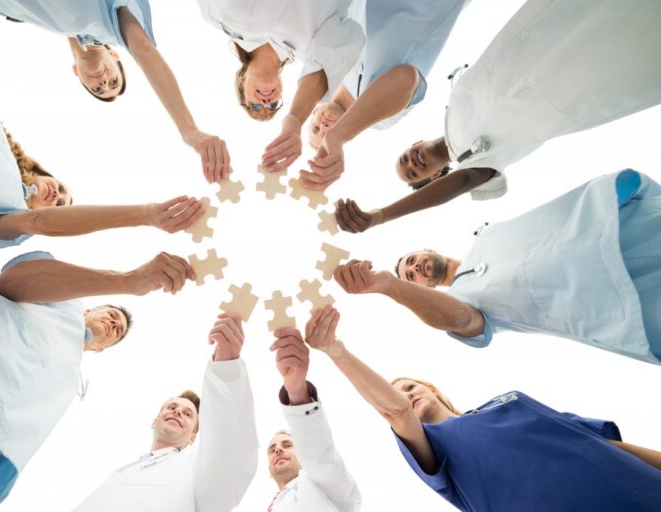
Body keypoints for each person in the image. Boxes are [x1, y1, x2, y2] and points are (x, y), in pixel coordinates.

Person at [0, 249, 195, 511]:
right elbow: (12, 280)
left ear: (101, 349)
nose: (115, 323)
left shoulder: (65, 388)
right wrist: (128, 282)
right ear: (88, 309)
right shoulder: (62, 302)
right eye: (112, 314)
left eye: (118, 330)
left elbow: (17, 445)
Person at [333, 0, 661, 233]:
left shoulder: (454, 98)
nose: (411, 162)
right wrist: (381, 215)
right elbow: (462, 183)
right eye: (413, 173)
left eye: (404, 158)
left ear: (414, 141)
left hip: (550, 23)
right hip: (582, 74)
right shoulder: (473, 163)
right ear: (435, 176)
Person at [302, 305, 661, 511]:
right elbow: (397, 412)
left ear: (433, 389)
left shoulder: (512, 399)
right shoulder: (434, 448)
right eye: (397, 393)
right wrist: (336, 350)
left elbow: (602, 443)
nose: (407, 396)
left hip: (636, 486)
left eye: (410, 386)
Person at [0, 28, 204, 250]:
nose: (56, 195)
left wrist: (145, 214)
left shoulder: (4, 216)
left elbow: (40, 223)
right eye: (63, 193)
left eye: (59, 206)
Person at [335, 169, 661, 365]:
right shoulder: (463, 301)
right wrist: (390, 286)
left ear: (428, 249)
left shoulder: (488, 235)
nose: (414, 268)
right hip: (629, 304)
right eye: (409, 276)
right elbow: (463, 320)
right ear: (424, 289)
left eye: (411, 260)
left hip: (629, 225)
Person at [0, 0, 230, 182]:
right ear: (115, 55)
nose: (103, 82)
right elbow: (144, 51)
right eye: (113, 81)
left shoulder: (33, 18)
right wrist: (189, 130)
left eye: (96, 88)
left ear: (77, 74)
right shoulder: (115, 26)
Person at [74, 313, 258, 511]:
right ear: (155, 421)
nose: (178, 412)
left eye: (188, 414)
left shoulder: (196, 468)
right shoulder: (119, 474)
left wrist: (226, 366)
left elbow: (230, 451)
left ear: (193, 437)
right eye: (172, 407)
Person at [303, 0, 469, 190]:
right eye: (326, 134)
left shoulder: (332, 69)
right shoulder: (379, 117)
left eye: (315, 128)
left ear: (315, 111)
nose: (324, 127)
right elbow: (406, 77)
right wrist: (337, 137)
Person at [193, 0, 364, 173]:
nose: (267, 103)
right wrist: (295, 119)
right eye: (273, 106)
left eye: (256, 105)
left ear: (241, 81)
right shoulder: (309, 50)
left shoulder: (218, 17)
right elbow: (347, 37)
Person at [266, 327, 361, 511]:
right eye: (272, 449)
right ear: (269, 468)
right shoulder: (275, 504)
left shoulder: (321, 482)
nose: (278, 449)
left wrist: (296, 391)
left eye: (287, 445)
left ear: (302, 453)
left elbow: (320, 456)